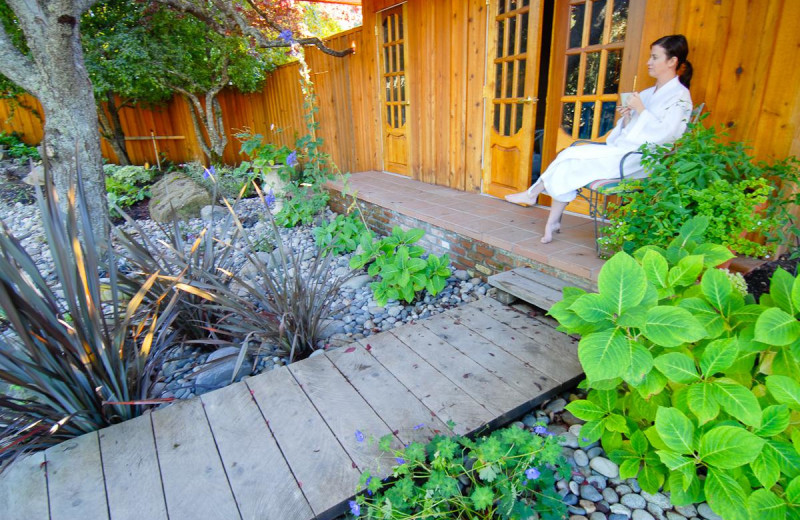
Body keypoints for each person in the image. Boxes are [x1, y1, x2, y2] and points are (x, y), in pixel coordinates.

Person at [505, 34, 694, 243]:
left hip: (641, 160)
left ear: (672, 61)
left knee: (572, 157)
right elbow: (633, 129)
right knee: (569, 156)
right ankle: (551, 219)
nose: (649, 62)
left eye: (655, 57)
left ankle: (535, 197)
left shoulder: (679, 96)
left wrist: (641, 111)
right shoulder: (649, 93)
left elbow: (667, 135)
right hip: (624, 150)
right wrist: (628, 116)